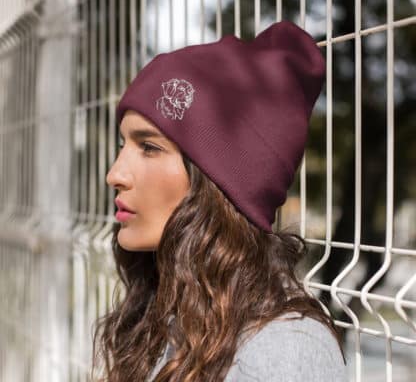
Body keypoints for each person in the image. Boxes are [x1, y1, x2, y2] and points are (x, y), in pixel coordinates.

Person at [94, 20, 348, 381]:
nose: (115, 174)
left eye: (149, 147)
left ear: (216, 183)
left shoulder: (284, 351)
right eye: (124, 145)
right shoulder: (171, 317)